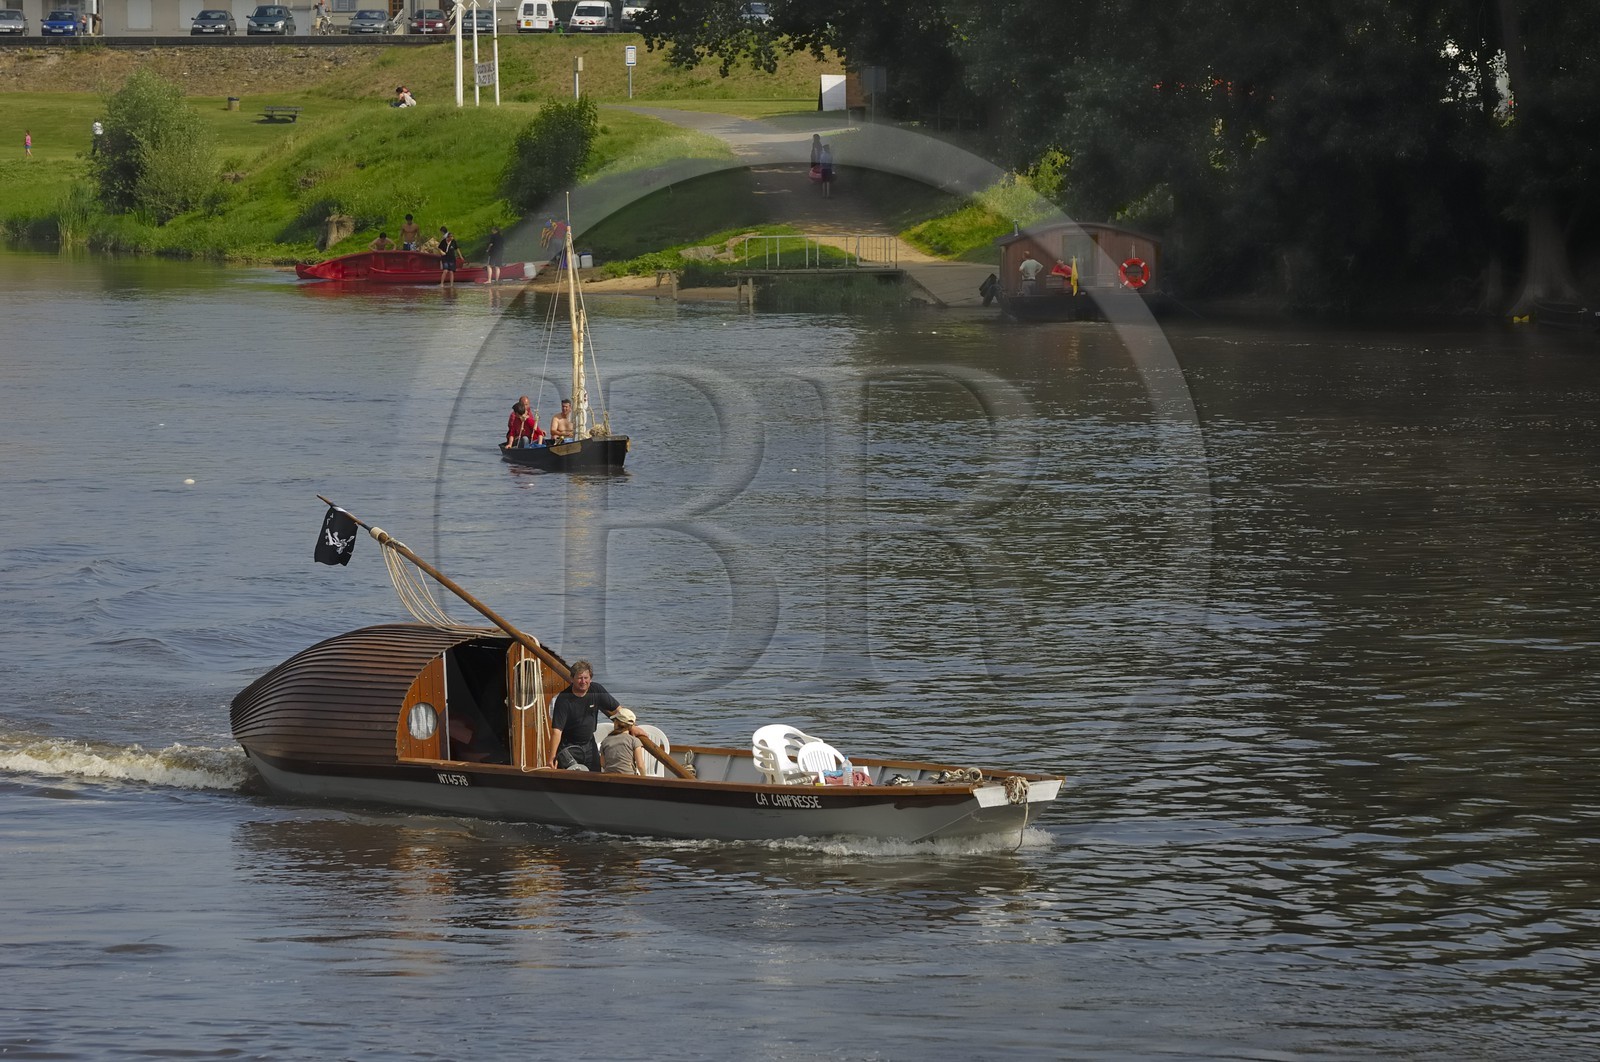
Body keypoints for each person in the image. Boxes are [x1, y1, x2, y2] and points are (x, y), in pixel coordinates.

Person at [549, 660, 626, 771]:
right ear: (572, 679)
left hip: (589, 744)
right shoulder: (563, 699)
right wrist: (552, 757)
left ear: (591, 678)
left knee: (595, 777)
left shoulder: (596, 690)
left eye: (586, 678)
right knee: (570, 781)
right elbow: (557, 731)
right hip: (568, 746)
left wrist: (632, 726)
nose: (583, 681)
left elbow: (618, 709)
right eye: (579, 678)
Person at [600, 707, 648, 776]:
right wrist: (644, 777)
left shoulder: (605, 741)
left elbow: (603, 763)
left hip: (609, 779)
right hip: (629, 779)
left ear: (616, 723)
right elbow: (640, 765)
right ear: (631, 726)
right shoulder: (634, 741)